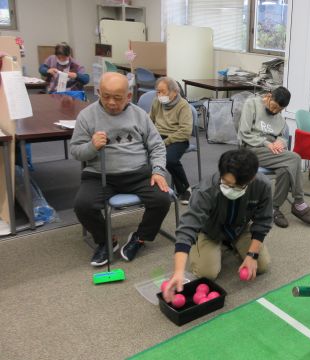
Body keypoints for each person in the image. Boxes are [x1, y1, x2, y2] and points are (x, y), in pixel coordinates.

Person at [70, 72, 171, 266]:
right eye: (105, 96)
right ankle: (106, 241)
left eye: (117, 98)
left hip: (138, 173)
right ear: (98, 92)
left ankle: (140, 237)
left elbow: (157, 146)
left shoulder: (140, 115)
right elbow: (75, 151)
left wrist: (158, 170)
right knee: (82, 205)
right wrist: (91, 146)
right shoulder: (86, 116)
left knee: (161, 199)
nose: (111, 102)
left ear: (128, 97)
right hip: (99, 175)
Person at [162, 149, 272, 300]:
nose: (228, 189)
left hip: (239, 229)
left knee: (262, 266)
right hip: (209, 231)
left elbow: (263, 220)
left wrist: (252, 255)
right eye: (225, 182)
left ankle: (230, 245)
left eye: (235, 186)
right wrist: (178, 271)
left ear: (251, 179)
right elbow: (187, 227)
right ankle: (216, 246)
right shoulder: (205, 190)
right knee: (207, 274)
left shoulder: (262, 185)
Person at [238, 87, 310, 228]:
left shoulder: (279, 116)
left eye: (279, 110)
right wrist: (267, 143)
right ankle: (299, 202)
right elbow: (244, 133)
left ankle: (273, 208)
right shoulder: (251, 104)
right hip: (251, 149)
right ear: (269, 96)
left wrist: (279, 143)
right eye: (274, 106)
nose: (275, 111)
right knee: (295, 158)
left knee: (285, 170)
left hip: (270, 151)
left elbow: (283, 136)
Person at [149, 77, 193, 204]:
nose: (159, 95)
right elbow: (149, 121)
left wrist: (166, 142)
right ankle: (149, 189)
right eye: (158, 92)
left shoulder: (183, 105)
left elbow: (185, 131)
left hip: (177, 138)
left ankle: (185, 189)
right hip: (158, 137)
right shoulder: (156, 102)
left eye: (162, 92)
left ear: (174, 92)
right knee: (140, 153)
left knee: (169, 159)